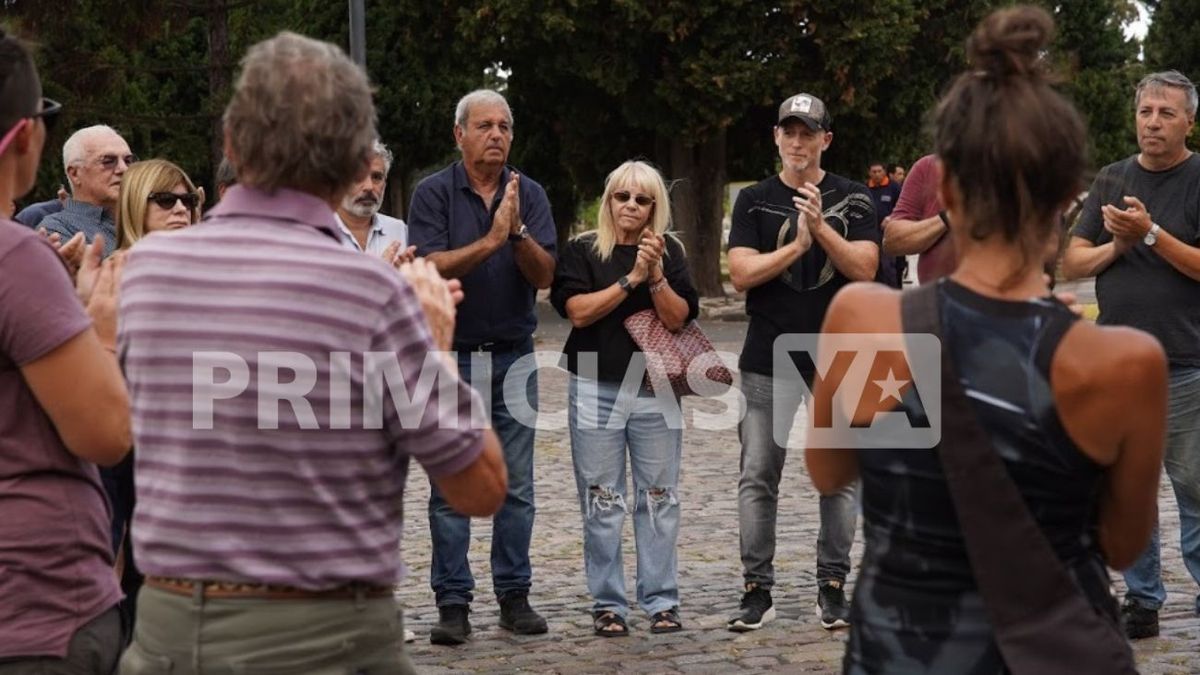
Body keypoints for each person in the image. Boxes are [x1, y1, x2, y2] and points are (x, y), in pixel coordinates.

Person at [117, 32, 508, 673]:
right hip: (329, 633)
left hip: (171, 628)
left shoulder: (143, 272)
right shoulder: (373, 291)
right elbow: (479, 487)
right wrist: (436, 344)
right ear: (357, 160)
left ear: (231, 146)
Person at [807, 7, 1166, 671]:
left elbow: (829, 469)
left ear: (946, 189)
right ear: (1066, 197)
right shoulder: (1124, 362)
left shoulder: (863, 318)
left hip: (905, 650)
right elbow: (1120, 544)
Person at [0, 28, 131, 671]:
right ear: (30, 139)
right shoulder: (22, 252)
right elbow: (105, 432)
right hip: (36, 606)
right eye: (109, 162)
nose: (123, 173)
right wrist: (98, 325)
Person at [725, 92, 879, 632]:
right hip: (768, 358)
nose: (797, 141)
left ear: (825, 140)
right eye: (788, 131)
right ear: (775, 137)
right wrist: (795, 247)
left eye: (807, 132)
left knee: (838, 477)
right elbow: (741, 274)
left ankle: (832, 588)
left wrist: (822, 227)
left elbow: (865, 268)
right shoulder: (753, 201)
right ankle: (755, 590)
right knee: (758, 475)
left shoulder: (855, 197)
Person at [409, 88, 557, 645]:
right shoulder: (433, 193)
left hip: (515, 356)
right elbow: (429, 262)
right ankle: (453, 602)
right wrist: (491, 238)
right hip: (453, 359)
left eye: (504, 126)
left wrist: (514, 233)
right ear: (460, 135)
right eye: (484, 126)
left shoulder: (530, 194)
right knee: (450, 486)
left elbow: (544, 276)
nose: (496, 134)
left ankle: (514, 595)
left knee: (515, 486)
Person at [1062, 69, 1200, 638]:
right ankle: (1143, 603)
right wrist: (1117, 244)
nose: (1153, 123)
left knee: (1195, 492)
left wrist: (1149, 234)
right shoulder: (1112, 179)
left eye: (1167, 113)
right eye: (1146, 111)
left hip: (1186, 367)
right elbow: (1072, 261)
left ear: (1190, 120)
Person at [551, 160, 700, 637]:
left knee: (659, 497)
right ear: (608, 198)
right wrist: (630, 278)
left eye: (643, 199)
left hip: (656, 388)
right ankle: (608, 602)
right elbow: (576, 312)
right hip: (596, 384)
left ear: (656, 206)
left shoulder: (669, 250)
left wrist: (655, 275)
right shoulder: (582, 249)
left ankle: (661, 600)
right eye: (622, 196)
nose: (631, 206)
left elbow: (678, 319)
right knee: (602, 498)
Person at [39, 124, 135, 258]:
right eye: (108, 161)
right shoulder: (56, 230)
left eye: (128, 161)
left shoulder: (147, 218)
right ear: (75, 174)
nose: (123, 169)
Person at [336, 138, 415, 265]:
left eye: (377, 177)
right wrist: (382, 274)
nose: (369, 187)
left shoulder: (399, 230)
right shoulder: (314, 234)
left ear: (385, 183)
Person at [881, 153, 954, 284]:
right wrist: (949, 216)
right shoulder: (928, 167)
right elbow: (891, 241)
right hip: (936, 298)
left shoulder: (1002, 167)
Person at [115, 158, 202, 249]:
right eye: (166, 200)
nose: (182, 208)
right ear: (136, 206)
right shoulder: (119, 263)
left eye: (187, 200)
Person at [867, 160, 904, 287]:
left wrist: (891, 217)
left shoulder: (894, 187)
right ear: (869, 173)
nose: (877, 174)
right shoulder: (865, 188)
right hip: (871, 233)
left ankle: (892, 295)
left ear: (885, 172)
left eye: (879, 171)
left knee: (888, 267)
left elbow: (902, 207)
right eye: (874, 172)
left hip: (888, 232)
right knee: (873, 265)